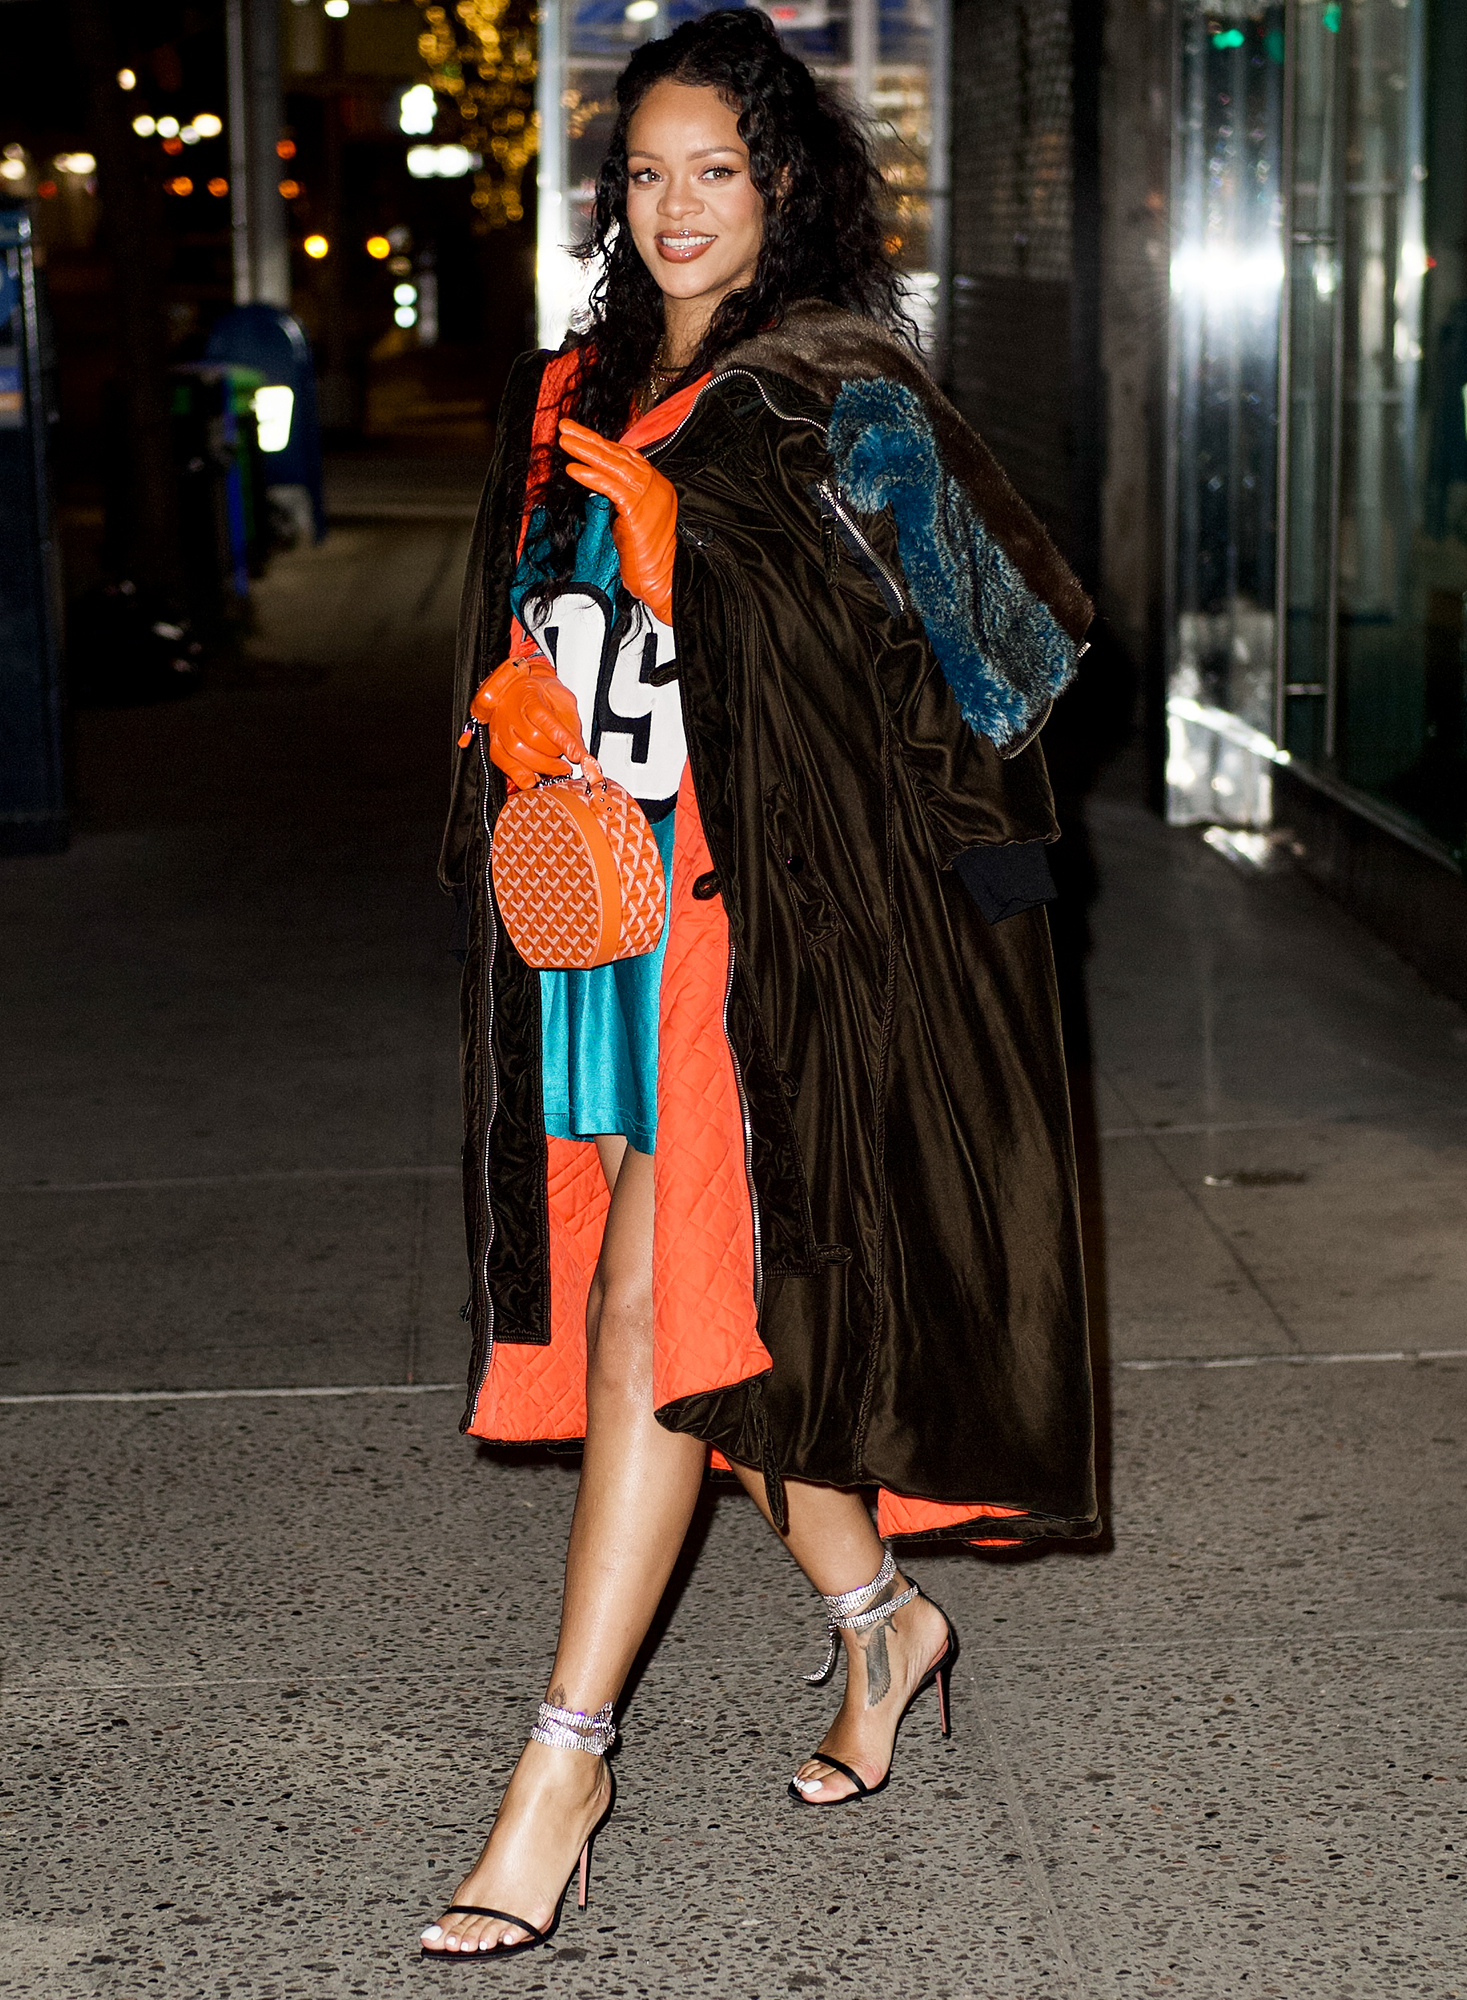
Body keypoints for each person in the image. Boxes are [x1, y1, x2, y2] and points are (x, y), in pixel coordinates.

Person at [424, 6, 1098, 1961]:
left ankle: (561, 1767)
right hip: (598, 924)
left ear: (783, 184)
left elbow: (1005, 646)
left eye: (713, 171)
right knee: (739, 1319)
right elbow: (531, 635)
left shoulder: (834, 395)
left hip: (765, 926)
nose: (675, 209)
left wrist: (698, 575)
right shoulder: (570, 390)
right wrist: (519, 702)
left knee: (661, 1299)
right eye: (644, 174)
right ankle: (881, 1626)